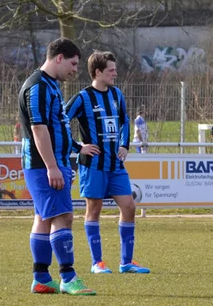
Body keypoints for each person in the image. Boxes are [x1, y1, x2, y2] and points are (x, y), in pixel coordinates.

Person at [18, 37, 96, 296]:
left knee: (44, 218)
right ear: (59, 57)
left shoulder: (49, 85)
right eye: (73, 64)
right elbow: (38, 128)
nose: (75, 70)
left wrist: (75, 149)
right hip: (43, 164)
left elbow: (56, 127)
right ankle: (68, 277)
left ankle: (41, 278)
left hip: (51, 162)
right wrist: (52, 166)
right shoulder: (38, 86)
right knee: (64, 216)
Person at [64, 51, 150, 275]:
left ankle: (126, 262)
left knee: (129, 207)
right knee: (94, 209)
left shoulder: (116, 94)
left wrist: (124, 145)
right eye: (111, 70)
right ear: (98, 72)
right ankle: (97, 262)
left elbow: (124, 121)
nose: (115, 73)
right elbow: (61, 121)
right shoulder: (83, 97)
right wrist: (78, 147)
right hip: (93, 165)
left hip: (115, 164)